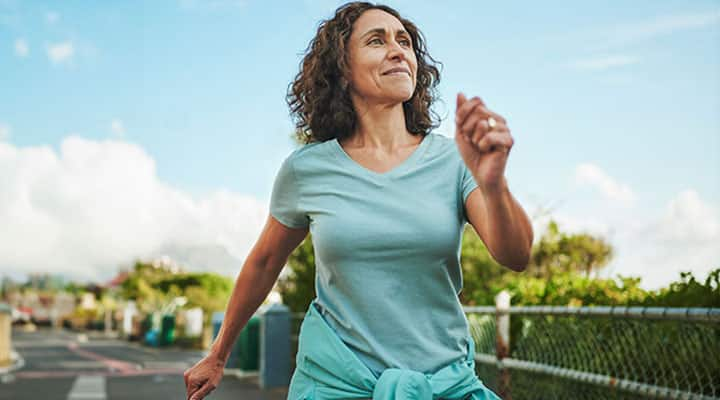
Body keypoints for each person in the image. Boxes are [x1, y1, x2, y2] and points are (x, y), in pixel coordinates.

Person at [183, 2, 533, 399]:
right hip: (334, 384)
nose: (398, 50)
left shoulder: (454, 160)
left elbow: (515, 255)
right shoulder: (306, 169)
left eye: (404, 41)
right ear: (343, 69)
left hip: (442, 385)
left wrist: (494, 184)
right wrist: (218, 353)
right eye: (376, 40)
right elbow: (264, 262)